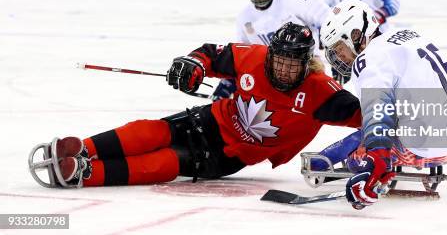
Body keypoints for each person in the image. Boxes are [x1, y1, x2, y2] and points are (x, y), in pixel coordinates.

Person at [28, 23, 361, 188]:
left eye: (294, 63)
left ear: (308, 63)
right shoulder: (255, 58)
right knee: (154, 131)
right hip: (213, 119)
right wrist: (193, 64)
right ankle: (84, 148)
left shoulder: (322, 93)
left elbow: (372, 115)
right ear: (271, 54)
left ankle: (85, 174)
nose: (285, 69)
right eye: (281, 60)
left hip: (230, 155)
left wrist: (395, 136)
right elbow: (210, 53)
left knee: (166, 162)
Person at [318, 0, 447, 209]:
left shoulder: (368, 59)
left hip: (428, 146)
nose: (340, 56)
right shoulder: (406, 36)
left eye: (340, 48)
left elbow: (378, 110)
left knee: (353, 155)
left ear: (357, 35)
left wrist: (377, 159)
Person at [210, 0, 331, 101]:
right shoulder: (244, 17)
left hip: (308, 67)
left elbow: (328, 18)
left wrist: (334, 52)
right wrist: (228, 82)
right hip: (273, 74)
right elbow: (243, 57)